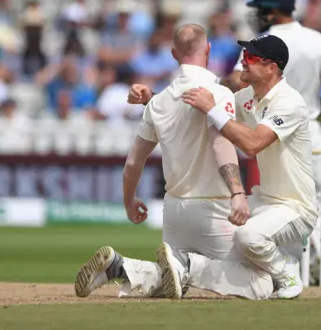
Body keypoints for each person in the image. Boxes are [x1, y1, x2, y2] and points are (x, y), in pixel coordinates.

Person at [74, 24, 274, 300]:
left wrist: (128, 201)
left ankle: (121, 267)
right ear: (208, 49)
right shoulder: (217, 93)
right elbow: (221, 145)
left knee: (173, 278)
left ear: (173, 54)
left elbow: (133, 162)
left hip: (174, 215)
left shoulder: (157, 103)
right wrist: (238, 192)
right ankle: (188, 266)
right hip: (215, 212)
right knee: (262, 284)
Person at [220, 0, 321, 284]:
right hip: (309, 130)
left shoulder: (265, 40)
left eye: (260, 10)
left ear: (273, 11)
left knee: (285, 199)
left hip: (270, 125)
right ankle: (313, 260)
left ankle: (297, 264)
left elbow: (236, 81)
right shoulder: (315, 38)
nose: (257, 15)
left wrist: (212, 87)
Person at [169, 33, 317, 299]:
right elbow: (201, 108)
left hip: (296, 207)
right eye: (244, 56)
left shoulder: (289, 102)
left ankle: (287, 273)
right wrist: (150, 100)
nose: (243, 62)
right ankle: (191, 269)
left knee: (248, 237)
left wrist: (213, 109)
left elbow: (252, 144)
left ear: (271, 67)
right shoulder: (248, 96)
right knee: (218, 227)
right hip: (264, 201)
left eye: (251, 57)